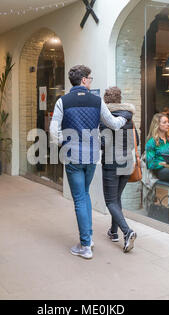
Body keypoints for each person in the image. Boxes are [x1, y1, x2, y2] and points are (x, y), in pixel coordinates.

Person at [49, 65, 127, 260]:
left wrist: (63, 143)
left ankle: (85, 245)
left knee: (80, 198)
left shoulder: (62, 101)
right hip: (92, 157)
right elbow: (114, 124)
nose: (91, 81)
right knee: (84, 194)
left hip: (72, 157)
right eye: (90, 78)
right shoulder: (96, 101)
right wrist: (126, 115)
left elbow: (53, 130)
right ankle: (89, 238)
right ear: (83, 80)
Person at [99, 86, 137, 253]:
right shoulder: (128, 116)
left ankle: (127, 232)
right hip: (127, 162)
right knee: (117, 198)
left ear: (106, 100)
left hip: (111, 162)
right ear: (119, 99)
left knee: (110, 201)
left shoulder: (105, 117)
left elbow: (103, 143)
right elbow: (136, 140)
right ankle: (113, 232)